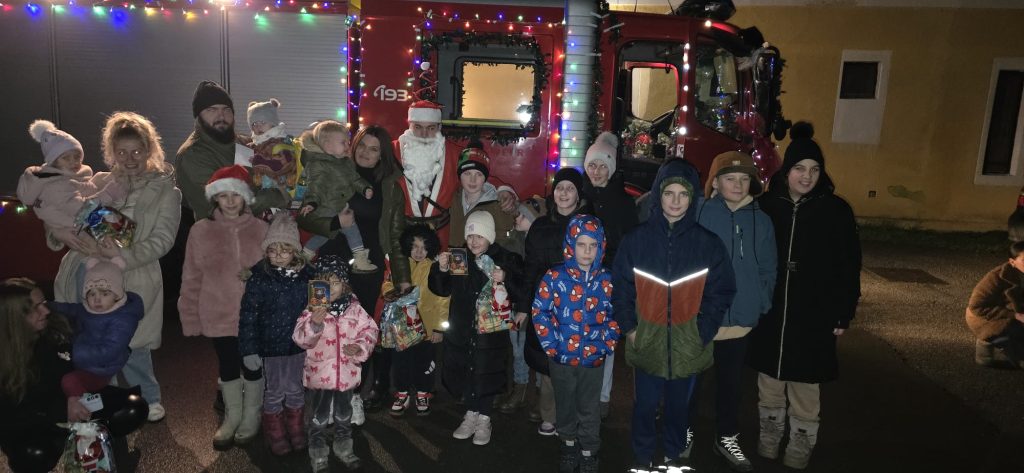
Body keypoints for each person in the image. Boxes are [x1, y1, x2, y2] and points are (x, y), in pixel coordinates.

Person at [51, 111, 181, 423]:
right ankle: (96, 397)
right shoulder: (96, 182)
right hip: (85, 270)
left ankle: (148, 396)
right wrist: (60, 232)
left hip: (133, 273)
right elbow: (64, 214)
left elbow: (163, 239)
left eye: (137, 151)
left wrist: (125, 255)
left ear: (149, 149)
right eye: (121, 152)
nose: (129, 159)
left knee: (133, 342)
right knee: (88, 337)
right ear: (111, 152)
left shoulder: (166, 191)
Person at [748, 122, 862, 470]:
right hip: (772, 307)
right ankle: (770, 431)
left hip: (814, 309)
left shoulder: (836, 210)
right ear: (787, 170)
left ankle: (801, 438)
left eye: (814, 169)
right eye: (799, 168)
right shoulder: (766, 205)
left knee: (805, 381)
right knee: (769, 378)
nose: (807, 176)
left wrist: (843, 311)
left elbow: (849, 264)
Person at [612, 158, 737, 469]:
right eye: (669, 193)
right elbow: (621, 288)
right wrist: (631, 329)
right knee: (644, 406)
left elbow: (722, 290)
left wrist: (702, 331)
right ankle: (642, 457)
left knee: (679, 409)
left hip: (688, 346)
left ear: (692, 197)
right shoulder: (636, 241)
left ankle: (673, 456)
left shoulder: (707, 244)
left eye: (684, 194)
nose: (676, 201)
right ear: (658, 195)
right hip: (647, 342)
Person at [299, 125, 412, 417]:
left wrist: (403, 278)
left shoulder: (389, 186)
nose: (365, 152)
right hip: (327, 265)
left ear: (382, 154)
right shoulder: (329, 166)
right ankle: (323, 392)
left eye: (374, 149)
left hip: (366, 267)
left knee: (358, 330)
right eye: (362, 145)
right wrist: (335, 223)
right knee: (320, 324)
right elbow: (305, 217)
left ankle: (354, 394)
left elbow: (396, 235)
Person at [692, 151, 778, 471]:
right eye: (730, 178)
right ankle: (683, 431)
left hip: (740, 320)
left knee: (731, 386)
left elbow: (768, 267)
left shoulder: (761, 220)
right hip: (702, 319)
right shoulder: (699, 212)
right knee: (690, 383)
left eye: (744, 179)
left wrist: (760, 301)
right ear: (715, 183)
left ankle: (726, 436)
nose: (738, 185)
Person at [178, 165, 268, 449]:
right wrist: (190, 315)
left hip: (254, 317)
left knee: (253, 366)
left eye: (236, 194)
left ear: (246, 197)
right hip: (217, 313)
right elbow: (191, 276)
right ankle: (233, 415)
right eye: (223, 195)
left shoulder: (261, 229)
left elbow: (274, 272)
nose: (230, 201)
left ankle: (252, 414)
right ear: (214, 198)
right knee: (228, 365)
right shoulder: (201, 231)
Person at [429, 211, 528, 446]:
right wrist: (440, 269)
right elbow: (442, 289)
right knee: (467, 370)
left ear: (490, 237)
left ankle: (484, 417)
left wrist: (505, 278)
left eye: (480, 236)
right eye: (470, 235)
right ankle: (470, 413)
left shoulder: (504, 259)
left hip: (490, 331)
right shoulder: (460, 257)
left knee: (487, 370)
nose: (474, 241)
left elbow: (521, 290)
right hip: (463, 327)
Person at [532, 214, 620, 473]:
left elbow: (616, 314)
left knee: (589, 408)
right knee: (566, 405)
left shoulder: (607, 279)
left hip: (593, 359)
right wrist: (552, 345)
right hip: (561, 358)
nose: (587, 251)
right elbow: (540, 311)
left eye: (593, 245)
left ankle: (589, 450)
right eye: (581, 244)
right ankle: (568, 445)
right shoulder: (554, 277)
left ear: (601, 247)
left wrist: (606, 343)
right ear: (571, 245)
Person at [521, 168, 591, 430]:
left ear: (578, 195)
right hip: (546, 304)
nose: (564, 193)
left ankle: (573, 416)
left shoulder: (588, 225)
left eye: (570, 188)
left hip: (578, 303)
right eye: (560, 188)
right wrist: (523, 307)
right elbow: (530, 268)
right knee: (549, 362)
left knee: (576, 363)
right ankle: (549, 415)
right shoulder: (540, 226)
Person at [293, 255, 378, 472]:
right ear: (316, 286)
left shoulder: (355, 309)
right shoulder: (311, 310)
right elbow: (300, 339)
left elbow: (370, 330)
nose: (330, 288)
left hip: (346, 375)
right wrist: (314, 324)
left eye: (336, 282)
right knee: (318, 418)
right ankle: (318, 454)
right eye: (324, 283)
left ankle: (344, 448)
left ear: (345, 284)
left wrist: (359, 347)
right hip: (319, 376)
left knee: (344, 416)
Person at [392, 101, 519, 243]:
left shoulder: (454, 153)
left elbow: (479, 174)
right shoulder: (392, 151)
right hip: (402, 233)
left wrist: (503, 190)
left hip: (441, 235)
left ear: (439, 127)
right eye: (418, 127)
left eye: (431, 128)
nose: (424, 135)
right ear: (409, 125)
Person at [238, 212, 312, 456]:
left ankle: (296, 428)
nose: (279, 255)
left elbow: (317, 310)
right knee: (274, 391)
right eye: (273, 250)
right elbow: (248, 316)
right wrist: (249, 349)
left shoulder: (308, 278)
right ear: (266, 251)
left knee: (296, 389)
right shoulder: (260, 279)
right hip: (271, 347)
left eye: (285, 249)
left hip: (298, 346)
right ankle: (275, 432)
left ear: (295, 251)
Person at [581, 132, 638, 419]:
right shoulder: (580, 197)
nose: (596, 171)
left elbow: (629, 246)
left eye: (603, 166)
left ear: (612, 168)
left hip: (609, 281)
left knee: (606, 341)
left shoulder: (624, 203)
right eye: (592, 165)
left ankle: (602, 398)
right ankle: (581, 395)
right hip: (579, 281)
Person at [175, 80, 287, 220]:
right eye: (211, 110)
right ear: (198, 115)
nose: (221, 116)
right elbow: (223, 208)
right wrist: (278, 195)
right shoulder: (192, 155)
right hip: (222, 232)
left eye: (226, 109)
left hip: (263, 225)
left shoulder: (244, 142)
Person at [0, 278, 79, 472]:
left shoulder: (54, 332)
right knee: (34, 454)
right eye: (36, 307)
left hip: (71, 403)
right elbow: (11, 418)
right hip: (36, 423)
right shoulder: (6, 356)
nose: (46, 310)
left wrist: (76, 397)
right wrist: (61, 411)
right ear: (15, 316)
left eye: (44, 303)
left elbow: (71, 374)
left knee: (130, 406)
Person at [51, 257, 143, 416]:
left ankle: (89, 414)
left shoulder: (123, 318)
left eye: (105, 293)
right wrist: (50, 306)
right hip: (84, 359)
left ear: (117, 295)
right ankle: (96, 406)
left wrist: (73, 353)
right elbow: (71, 309)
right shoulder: (87, 308)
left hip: (101, 368)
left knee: (69, 381)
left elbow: (109, 351)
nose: (97, 299)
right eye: (91, 294)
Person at [17, 120, 124, 249]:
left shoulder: (69, 176)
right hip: (75, 225)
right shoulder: (56, 185)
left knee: (120, 234)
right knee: (116, 242)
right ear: (53, 161)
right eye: (66, 158)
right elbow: (80, 210)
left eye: (77, 156)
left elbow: (81, 190)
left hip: (79, 219)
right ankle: (107, 259)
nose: (74, 162)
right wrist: (107, 194)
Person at [383, 224, 450, 416]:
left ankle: (423, 392)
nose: (419, 252)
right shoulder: (401, 265)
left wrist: (439, 328)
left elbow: (443, 298)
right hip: (403, 327)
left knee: (425, 362)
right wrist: (391, 292)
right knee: (401, 362)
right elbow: (387, 283)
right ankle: (402, 393)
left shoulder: (434, 268)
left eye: (424, 247)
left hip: (427, 328)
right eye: (415, 247)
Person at [297, 120, 377, 271]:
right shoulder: (318, 164)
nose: (348, 146)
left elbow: (354, 179)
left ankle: (304, 255)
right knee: (351, 228)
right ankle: (360, 258)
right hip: (326, 207)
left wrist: (365, 188)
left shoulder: (345, 163)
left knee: (325, 235)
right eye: (343, 143)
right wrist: (311, 203)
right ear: (328, 146)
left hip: (337, 204)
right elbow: (315, 186)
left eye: (348, 142)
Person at [447, 142, 520, 251]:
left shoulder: (498, 204)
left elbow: (506, 241)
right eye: (467, 174)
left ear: (485, 178)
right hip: (453, 259)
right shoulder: (452, 197)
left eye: (479, 174)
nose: (472, 180)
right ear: (459, 176)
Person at [967, 240, 1024, 369]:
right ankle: (986, 343)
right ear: (1012, 262)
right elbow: (976, 306)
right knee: (1013, 335)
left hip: (1016, 312)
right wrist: (1016, 315)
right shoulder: (996, 278)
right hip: (987, 318)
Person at [246, 98, 301, 210]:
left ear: (273, 123)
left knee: (257, 203)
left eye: (263, 122)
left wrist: (257, 161)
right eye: (254, 124)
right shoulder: (257, 143)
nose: (258, 126)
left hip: (280, 191)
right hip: (263, 188)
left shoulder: (281, 141)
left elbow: (282, 165)